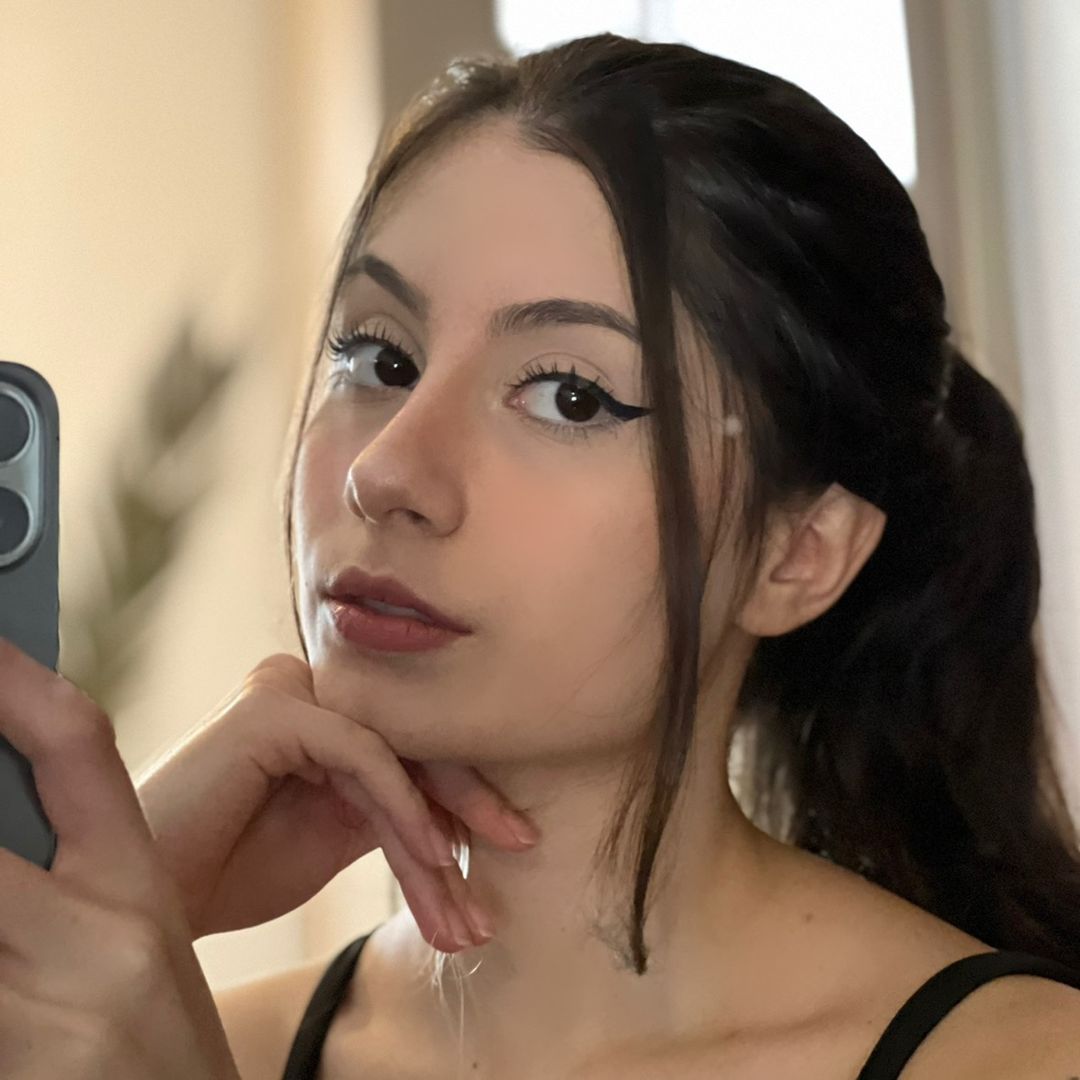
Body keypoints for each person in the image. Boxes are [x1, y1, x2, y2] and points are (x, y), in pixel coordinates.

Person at [1, 29, 1078, 1080]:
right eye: (378, 357)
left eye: (570, 396)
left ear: (798, 553)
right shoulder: (189, 1051)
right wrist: (117, 899)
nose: (386, 469)